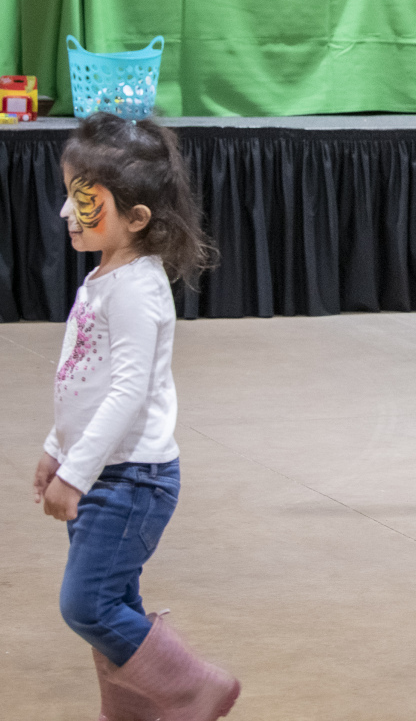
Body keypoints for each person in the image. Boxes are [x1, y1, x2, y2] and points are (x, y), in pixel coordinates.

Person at [33, 114, 237, 719]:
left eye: (84, 201)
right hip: (105, 473)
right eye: (69, 196)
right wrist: (57, 447)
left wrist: (76, 474)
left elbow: (126, 394)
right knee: (114, 600)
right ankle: (134, 711)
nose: (67, 213)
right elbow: (83, 382)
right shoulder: (104, 278)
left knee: (87, 606)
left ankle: (193, 688)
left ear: (138, 217)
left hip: (131, 480)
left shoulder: (137, 291)